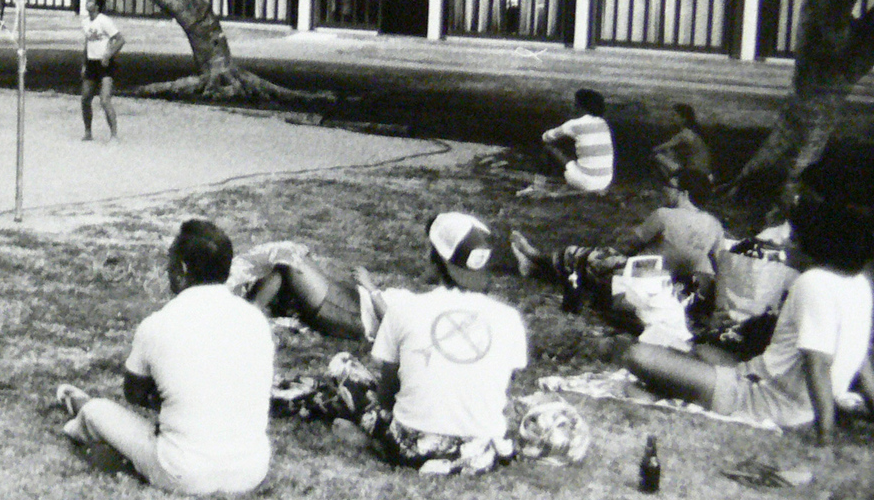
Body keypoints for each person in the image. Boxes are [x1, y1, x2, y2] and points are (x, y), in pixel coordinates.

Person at [621, 156, 874, 445]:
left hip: (762, 399)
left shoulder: (813, 283)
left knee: (638, 355)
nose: (788, 246)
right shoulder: (858, 284)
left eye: (795, 239)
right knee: (701, 352)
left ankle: (673, 391)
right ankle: (674, 389)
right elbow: (862, 356)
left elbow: (817, 363)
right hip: (771, 385)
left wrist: (825, 438)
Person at [55, 219, 274, 494]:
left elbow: (134, 394)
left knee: (97, 410)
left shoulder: (158, 323)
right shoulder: (255, 319)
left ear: (182, 269)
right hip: (251, 469)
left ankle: (81, 419)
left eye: (170, 261)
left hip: (186, 473)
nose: (166, 269)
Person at [311, 213, 527, 475]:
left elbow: (386, 397)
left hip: (410, 448)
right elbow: (501, 389)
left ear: (435, 260)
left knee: (343, 365)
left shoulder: (403, 310)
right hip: (478, 452)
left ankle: (372, 442)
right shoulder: (508, 318)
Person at [512, 167, 725, 350]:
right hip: (677, 290)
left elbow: (629, 243)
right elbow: (720, 262)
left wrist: (617, 245)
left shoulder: (664, 215)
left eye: (669, 186)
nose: (664, 190)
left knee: (584, 255)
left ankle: (536, 258)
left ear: (683, 193)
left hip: (640, 282)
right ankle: (534, 266)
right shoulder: (714, 224)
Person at [227, 241, 391, 343]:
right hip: (353, 298)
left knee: (290, 262)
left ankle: (246, 320)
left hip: (355, 314)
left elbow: (393, 320)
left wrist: (370, 286)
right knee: (296, 252)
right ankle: (246, 306)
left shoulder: (414, 319)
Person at [521, 87, 613, 197]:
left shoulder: (573, 124)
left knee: (548, 148)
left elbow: (546, 137)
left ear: (580, 107)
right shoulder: (603, 123)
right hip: (605, 181)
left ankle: (537, 187)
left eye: (575, 104)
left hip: (585, 181)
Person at [80, 0, 124, 141]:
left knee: (104, 99)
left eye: (91, 1)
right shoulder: (85, 22)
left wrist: (108, 54)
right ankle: (88, 132)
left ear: (97, 6)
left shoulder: (104, 21)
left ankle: (114, 135)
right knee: (85, 98)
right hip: (91, 63)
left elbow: (120, 40)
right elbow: (87, 44)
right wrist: (84, 64)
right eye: (87, 0)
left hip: (105, 65)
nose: (87, 3)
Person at [652, 103, 714, 185]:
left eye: (674, 115)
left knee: (657, 155)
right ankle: (675, 180)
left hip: (695, 172)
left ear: (683, 119)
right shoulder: (693, 133)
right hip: (706, 173)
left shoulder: (684, 134)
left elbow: (657, 149)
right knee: (669, 152)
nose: (671, 118)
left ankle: (673, 183)